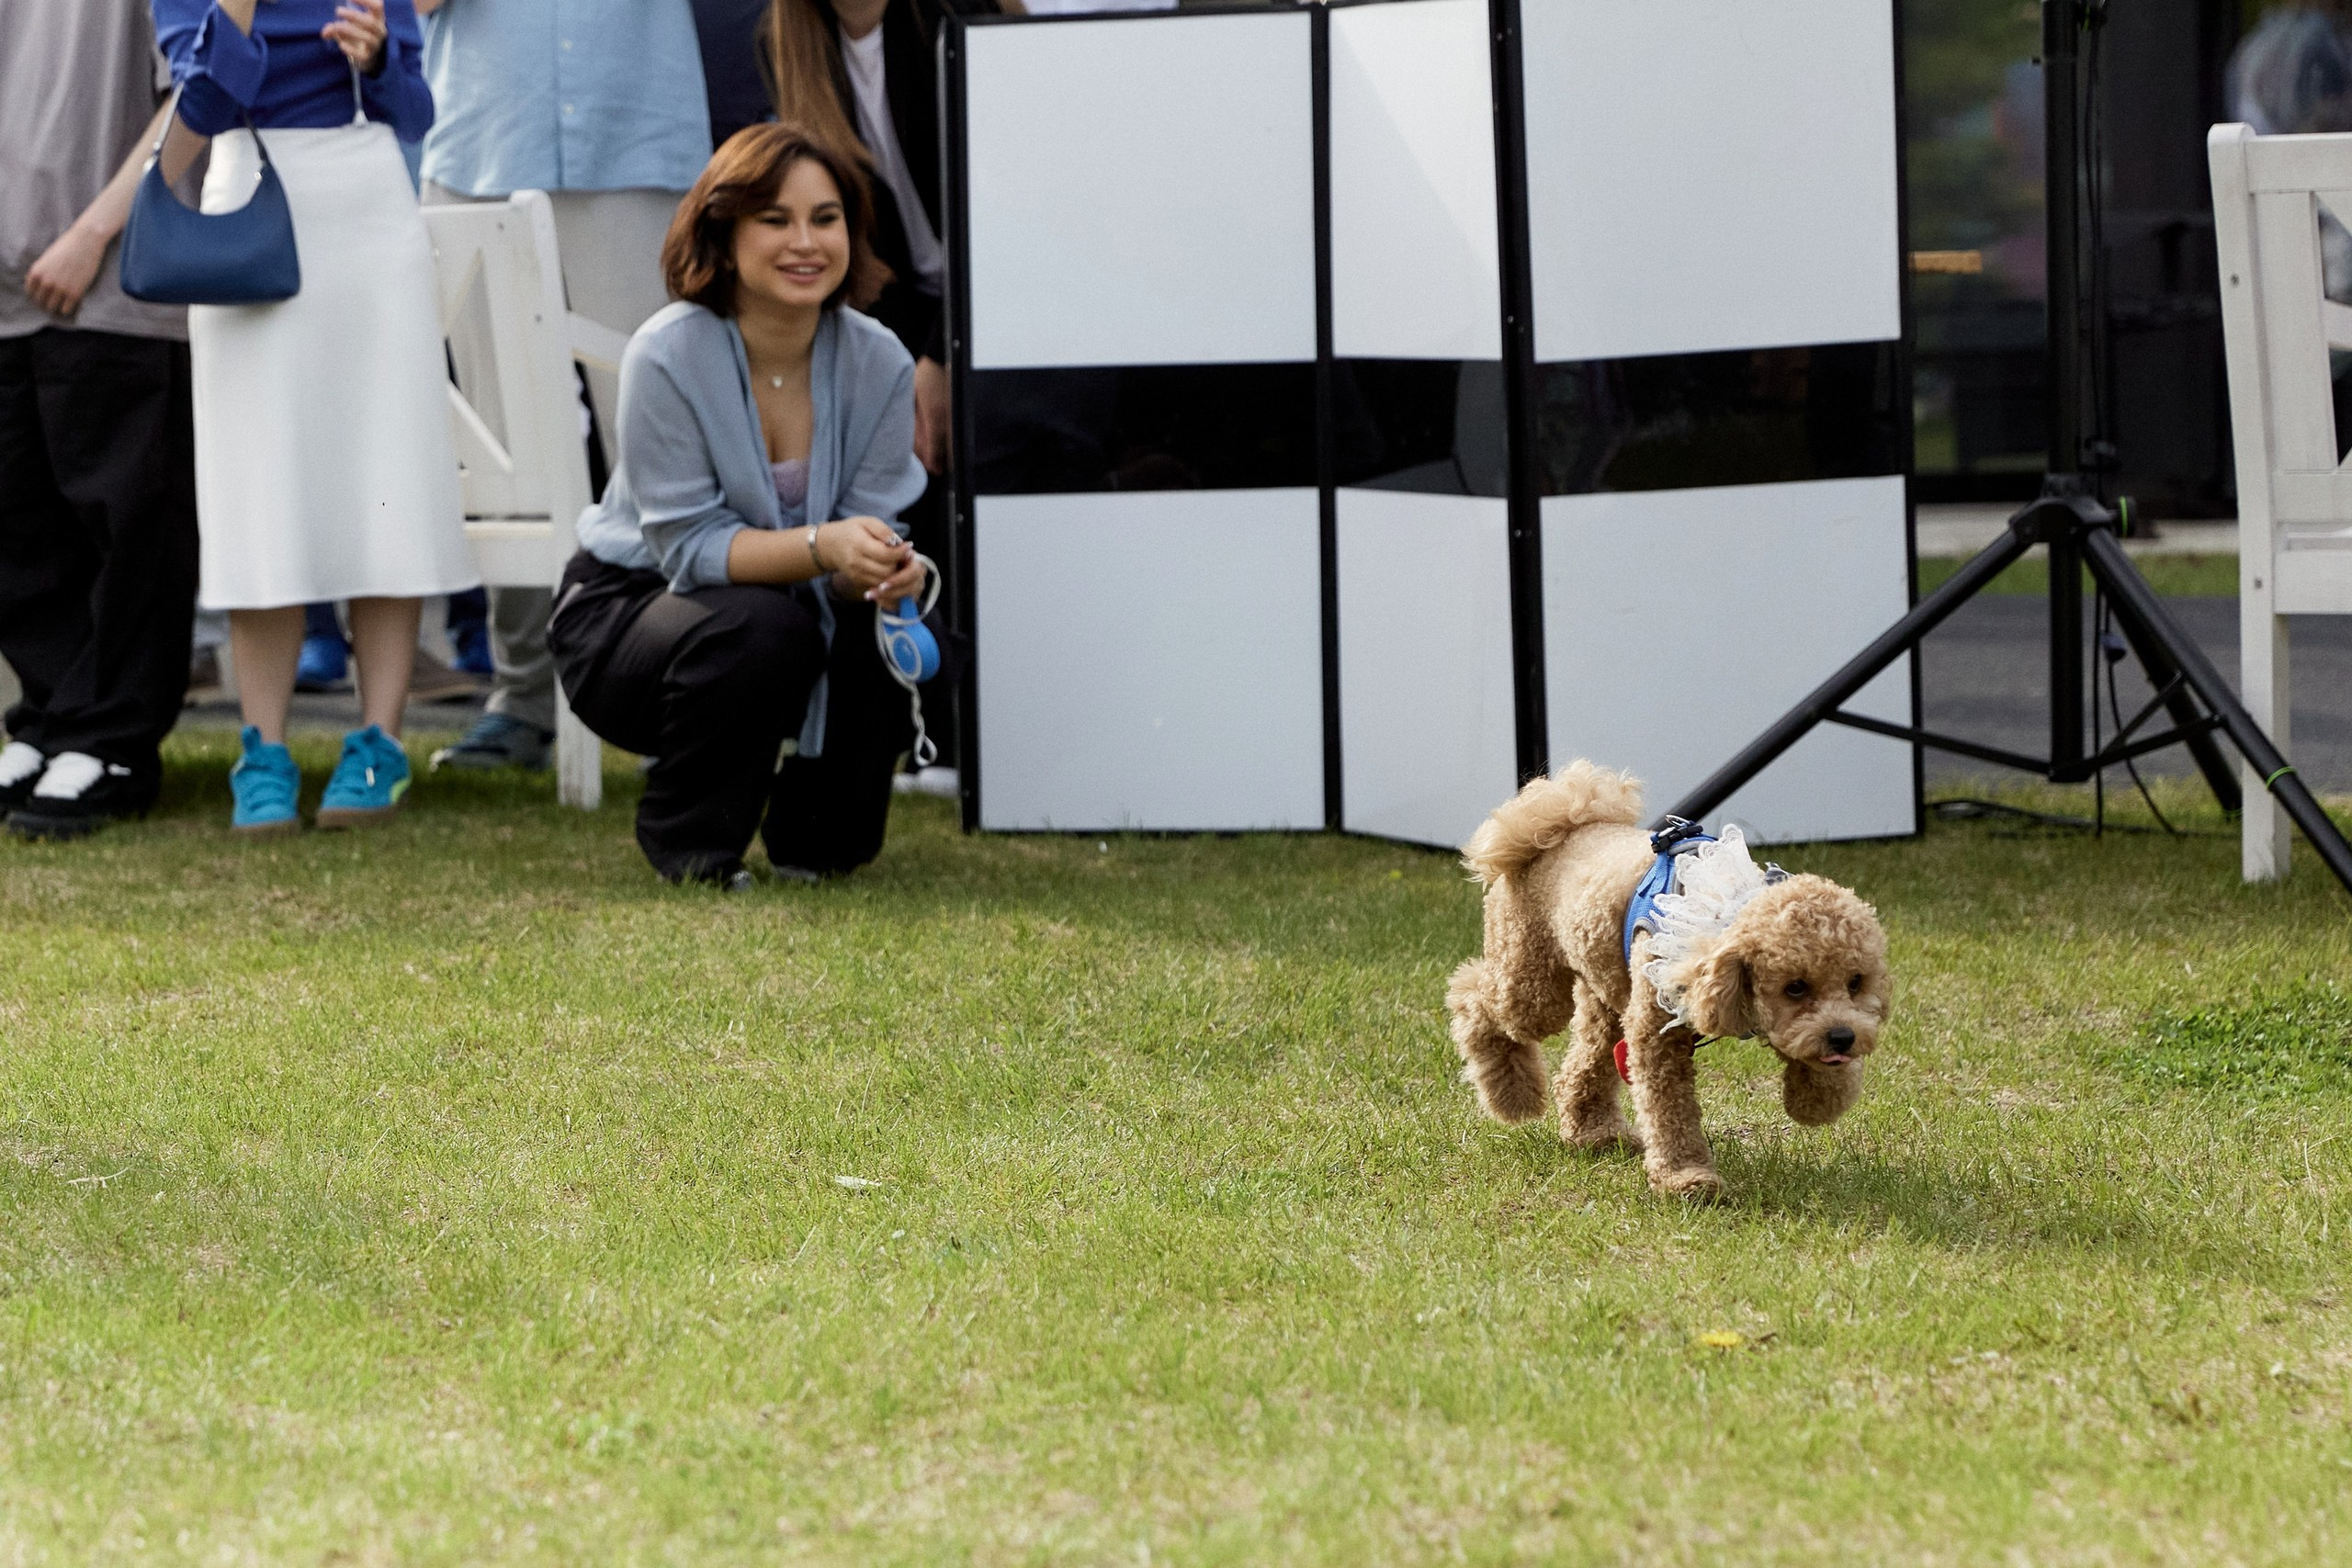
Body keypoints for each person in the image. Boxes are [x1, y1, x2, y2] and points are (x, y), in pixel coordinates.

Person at [549, 125, 928, 886]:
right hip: (631, 610)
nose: (806, 242)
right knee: (763, 625)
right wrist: (826, 546)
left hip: (792, 604)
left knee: (891, 624)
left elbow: (863, 538)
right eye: (774, 219)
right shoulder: (666, 352)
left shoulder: (881, 360)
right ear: (722, 233)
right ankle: (693, 845)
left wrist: (881, 569)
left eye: (826, 219)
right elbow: (688, 550)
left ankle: (817, 842)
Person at [153, 0, 480, 832]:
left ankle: (381, 742)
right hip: (247, 204)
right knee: (257, 487)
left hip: (370, 218)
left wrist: (376, 64)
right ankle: (261, 752)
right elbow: (205, 104)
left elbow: (417, 115)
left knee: (384, 477)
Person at [415, 0, 712, 773]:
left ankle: (685, 691)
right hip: (481, 140)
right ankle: (522, 697)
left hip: (637, 134)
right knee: (500, 441)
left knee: (661, 434)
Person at [0, 1, 202, 840]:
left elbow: (198, 90)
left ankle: (112, 736)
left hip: (118, 275)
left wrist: (95, 230)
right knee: (20, 519)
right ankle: (50, 718)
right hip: (12, 274)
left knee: (125, 519)